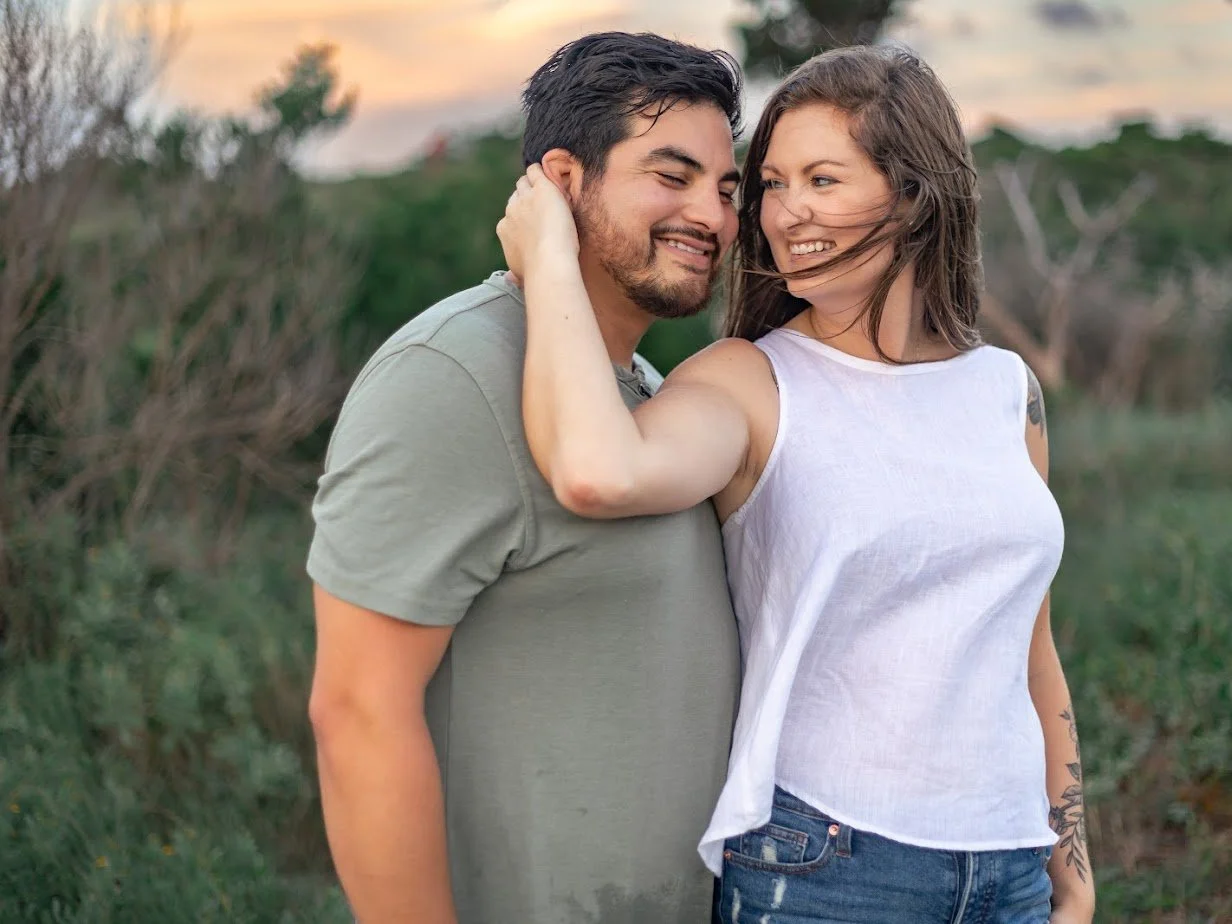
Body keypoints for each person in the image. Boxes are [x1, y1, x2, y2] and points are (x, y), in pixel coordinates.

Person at [499, 45, 1097, 924]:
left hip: (1009, 864)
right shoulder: (750, 381)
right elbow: (598, 471)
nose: (785, 214)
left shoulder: (1008, 390)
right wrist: (550, 252)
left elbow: (1030, 645)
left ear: (914, 194)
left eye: (822, 179)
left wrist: (1070, 849)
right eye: (771, 185)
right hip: (827, 865)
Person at [306, 32, 745, 924]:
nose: (713, 213)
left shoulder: (650, 397)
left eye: (728, 188)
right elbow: (356, 712)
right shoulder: (452, 372)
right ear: (562, 181)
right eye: (672, 174)